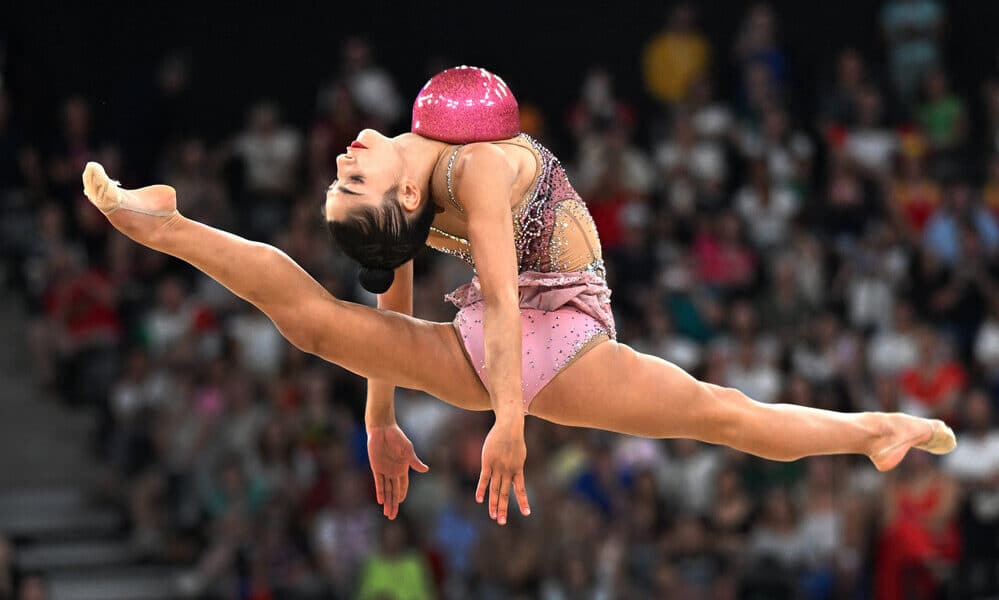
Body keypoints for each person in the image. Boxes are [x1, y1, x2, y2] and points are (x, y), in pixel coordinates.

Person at [81, 66, 956, 528]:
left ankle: (873, 432)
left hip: (549, 322)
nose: (343, 163)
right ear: (406, 206)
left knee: (718, 412)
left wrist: (501, 415)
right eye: (352, 184)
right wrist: (384, 415)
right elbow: (452, 291)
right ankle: (162, 224)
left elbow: (491, 293)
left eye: (340, 181)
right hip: (525, 333)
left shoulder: (466, 162)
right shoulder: (460, 168)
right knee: (314, 325)